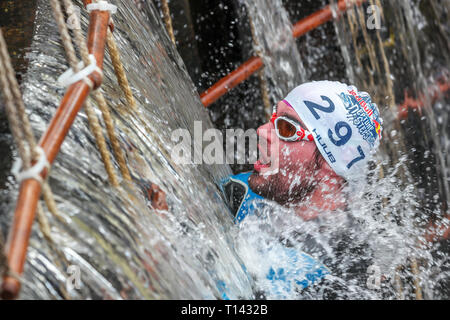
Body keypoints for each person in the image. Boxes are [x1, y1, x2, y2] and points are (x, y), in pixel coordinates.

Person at [147, 80, 383, 298]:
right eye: (273, 118)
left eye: (286, 129)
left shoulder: (341, 278)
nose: (261, 131)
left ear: (331, 167)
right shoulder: (243, 192)